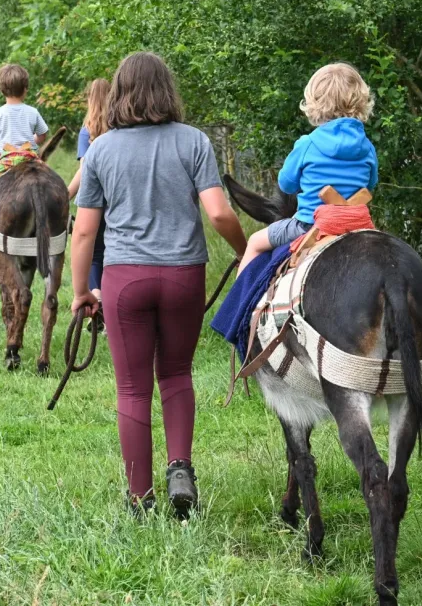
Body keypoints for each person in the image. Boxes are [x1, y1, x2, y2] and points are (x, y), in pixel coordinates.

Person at [70, 52, 247, 517]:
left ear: (119, 94)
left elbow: (84, 232)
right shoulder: (193, 141)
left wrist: (81, 291)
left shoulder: (101, 150)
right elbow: (218, 213)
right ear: (167, 90)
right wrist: (245, 250)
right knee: (176, 373)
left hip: (124, 278)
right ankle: (180, 468)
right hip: (184, 275)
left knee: (132, 388)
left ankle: (140, 497)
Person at [237, 63, 379, 274]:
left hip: (309, 225)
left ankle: (239, 296)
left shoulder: (307, 144)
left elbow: (286, 184)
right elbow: (371, 184)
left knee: (255, 242)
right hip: (356, 225)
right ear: (361, 101)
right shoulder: (367, 147)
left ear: (315, 103)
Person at [0, 64, 50, 211]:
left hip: (5, 160)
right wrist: (32, 141)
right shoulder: (33, 112)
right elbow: (42, 135)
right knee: (50, 179)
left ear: (1, 90)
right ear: (25, 89)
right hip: (30, 159)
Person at [68, 79, 110, 298]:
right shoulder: (120, 127)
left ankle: (96, 294)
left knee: (94, 252)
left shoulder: (88, 131)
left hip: (93, 200)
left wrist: (67, 194)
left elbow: (85, 169)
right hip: (116, 197)